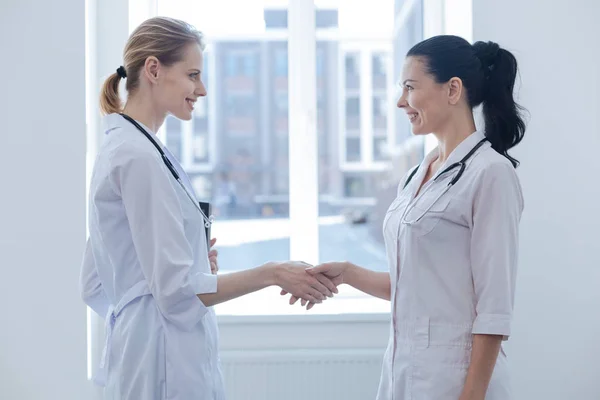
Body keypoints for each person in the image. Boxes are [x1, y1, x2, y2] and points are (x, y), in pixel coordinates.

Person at [79, 17, 336, 400]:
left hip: (145, 351)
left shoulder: (129, 149)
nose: (202, 89)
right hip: (162, 361)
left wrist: (190, 263)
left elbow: (96, 282)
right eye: (192, 74)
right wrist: (273, 272)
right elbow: (176, 294)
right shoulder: (138, 157)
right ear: (153, 69)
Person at [283, 35, 526, 399]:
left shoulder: (491, 173)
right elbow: (415, 288)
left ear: (453, 89)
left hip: (459, 381)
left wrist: (470, 397)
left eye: (410, 88)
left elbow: (493, 311)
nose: (401, 102)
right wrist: (348, 273)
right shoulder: (416, 176)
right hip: (402, 372)